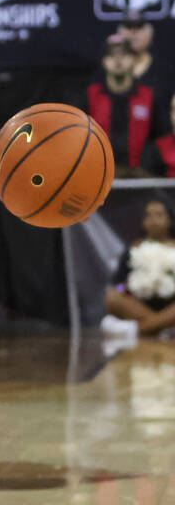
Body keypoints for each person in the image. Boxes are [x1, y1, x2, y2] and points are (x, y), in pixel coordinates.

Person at [86, 34, 161, 178]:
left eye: (124, 54)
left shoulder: (149, 96)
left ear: (133, 60)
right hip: (99, 177)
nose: (118, 59)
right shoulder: (90, 95)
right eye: (111, 55)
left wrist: (147, 167)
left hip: (141, 177)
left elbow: (162, 139)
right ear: (104, 61)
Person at [103, 198, 175, 336]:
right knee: (112, 296)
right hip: (140, 304)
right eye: (149, 215)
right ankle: (163, 328)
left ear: (169, 219)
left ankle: (138, 329)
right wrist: (126, 287)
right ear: (143, 221)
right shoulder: (134, 248)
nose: (153, 220)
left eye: (159, 215)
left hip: (171, 304)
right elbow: (118, 285)